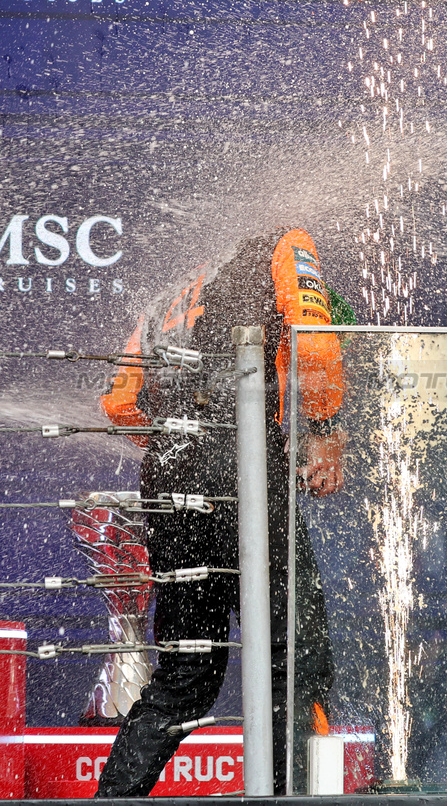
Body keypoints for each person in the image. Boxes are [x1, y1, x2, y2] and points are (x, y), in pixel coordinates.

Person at [94, 227, 346, 796]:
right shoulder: (284, 242)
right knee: (294, 660)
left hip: (168, 476)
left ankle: (110, 801)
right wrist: (324, 426)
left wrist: (181, 455)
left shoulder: (177, 288)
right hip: (241, 466)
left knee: (186, 674)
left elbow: (119, 402)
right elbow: (316, 345)